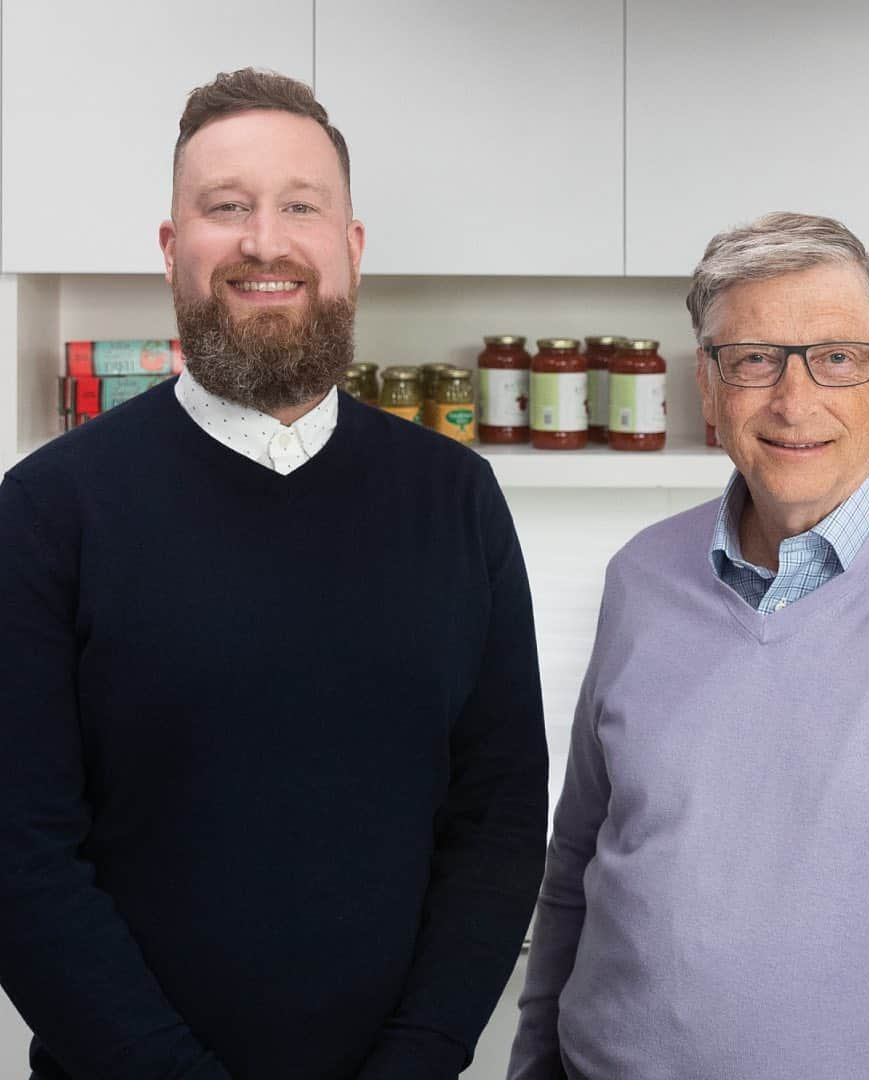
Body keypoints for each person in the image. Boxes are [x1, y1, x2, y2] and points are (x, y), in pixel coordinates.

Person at [0, 68, 547, 1080]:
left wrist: (419, 1058)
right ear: (172, 250)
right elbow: (18, 856)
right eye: (226, 208)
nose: (264, 241)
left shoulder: (457, 498)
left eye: (301, 206)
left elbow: (502, 818)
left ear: (351, 247)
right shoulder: (45, 510)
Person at [507, 212, 869, 1079]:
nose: (793, 400)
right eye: (753, 359)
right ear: (708, 381)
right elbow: (575, 863)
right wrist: (531, 1059)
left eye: (838, 358)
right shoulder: (640, 576)